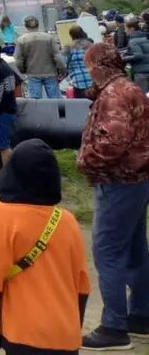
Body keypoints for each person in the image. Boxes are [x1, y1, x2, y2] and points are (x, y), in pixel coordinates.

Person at [0, 139, 91, 355]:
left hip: (23, 332)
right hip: (65, 334)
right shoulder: (67, 220)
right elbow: (82, 285)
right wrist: (73, 328)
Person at [76, 43, 149, 350]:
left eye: (89, 65)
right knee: (134, 250)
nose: (87, 71)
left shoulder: (114, 95)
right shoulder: (128, 88)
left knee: (107, 252)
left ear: (98, 65)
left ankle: (114, 327)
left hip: (118, 183)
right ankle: (142, 315)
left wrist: (85, 160)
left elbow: (114, 141)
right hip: (138, 181)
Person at [16, 16, 66, 99]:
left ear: (25, 26)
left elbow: (18, 60)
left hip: (33, 73)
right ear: (38, 25)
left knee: (35, 101)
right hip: (50, 72)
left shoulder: (21, 40)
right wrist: (62, 69)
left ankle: (39, 112)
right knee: (56, 99)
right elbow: (57, 56)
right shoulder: (49, 37)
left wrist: (23, 70)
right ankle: (57, 112)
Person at [64, 26, 94, 98]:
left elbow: (65, 62)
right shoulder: (90, 44)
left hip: (77, 80)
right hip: (92, 78)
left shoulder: (68, 47)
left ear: (71, 35)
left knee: (81, 103)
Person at [125, 19, 149, 92]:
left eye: (126, 28)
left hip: (141, 73)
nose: (125, 31)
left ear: (132, 28)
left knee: (144, 97)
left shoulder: (133, 41)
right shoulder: (145, 38)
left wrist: (125, 58)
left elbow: (138, 56)